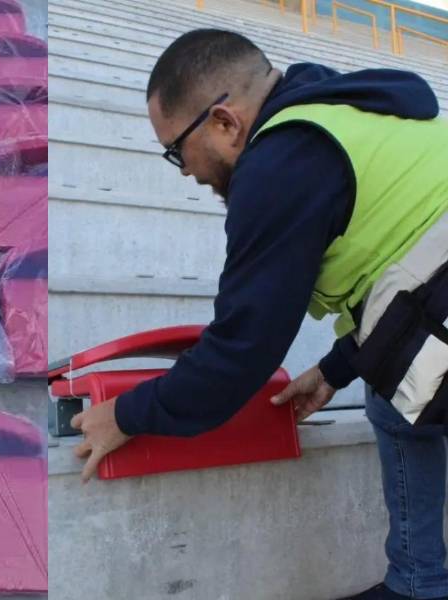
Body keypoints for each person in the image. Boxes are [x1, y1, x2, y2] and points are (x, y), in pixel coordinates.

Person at [69, 29, 448, 600]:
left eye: (177, 151)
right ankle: (420, 581)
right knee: (389, 396)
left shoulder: (280, 166)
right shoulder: (342, 112)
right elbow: (412, 276)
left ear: (223, 122)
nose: (184, 172)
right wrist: (334, 370)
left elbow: (239, 354)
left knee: (396, 397)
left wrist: (124, 414)